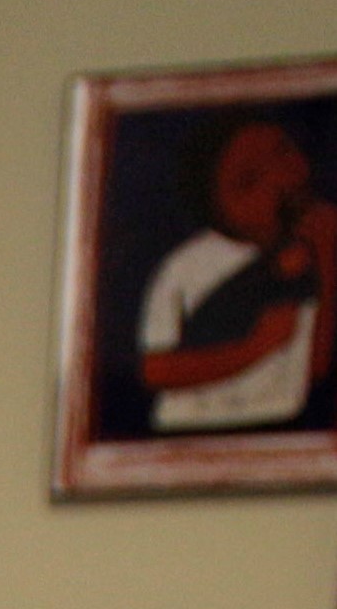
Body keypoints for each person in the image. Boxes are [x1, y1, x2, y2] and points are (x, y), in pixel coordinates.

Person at [136, 112, 337, 439]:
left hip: (287, 424)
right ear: (214, 208)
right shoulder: (185, 268)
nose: (280, 181)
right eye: (249, 181)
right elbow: (155, 370)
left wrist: (327, 254)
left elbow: (315, 366)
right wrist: (256, 347)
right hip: (195, 431)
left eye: (283, 152)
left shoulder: (302, 256)